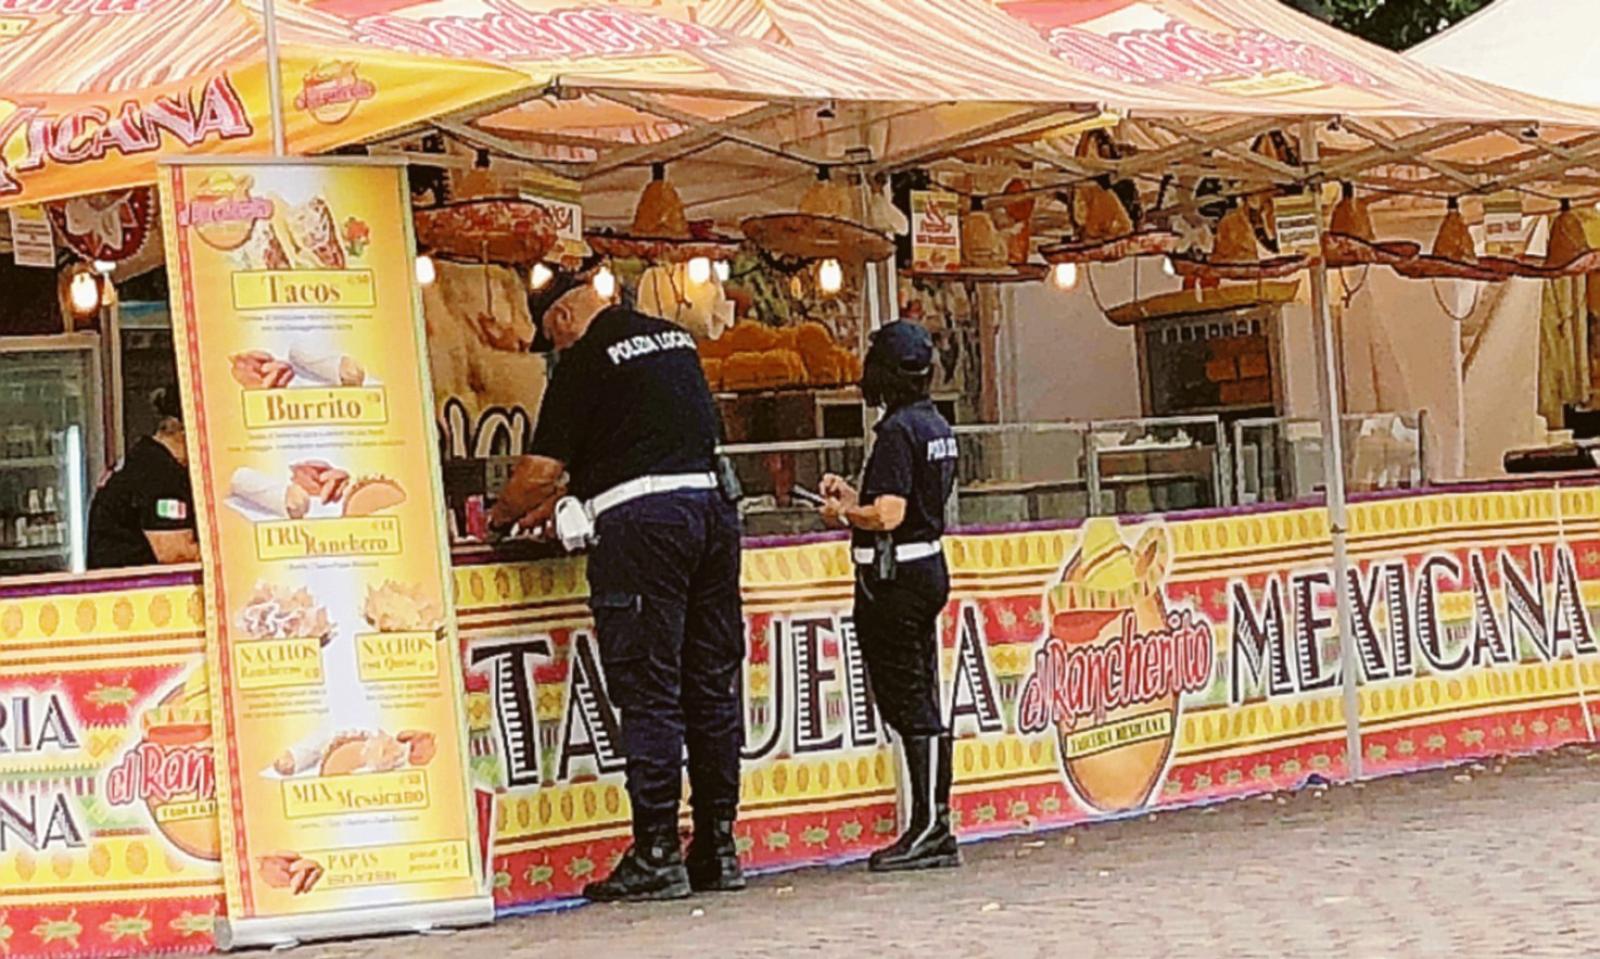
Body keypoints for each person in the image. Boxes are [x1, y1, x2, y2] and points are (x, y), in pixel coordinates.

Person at [490, 264, 745, 902]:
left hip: (645, 534)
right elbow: (652, 439)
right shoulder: (675, 340)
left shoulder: (584, 359)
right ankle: (717, 845)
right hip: (712, 515)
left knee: (650, 688)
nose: (554, 355)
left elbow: (540, 473)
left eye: (552, 343)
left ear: (561, 320)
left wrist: (499, 518)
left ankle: (657, 851)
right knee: (709, 685)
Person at [819, 320, 959, 872]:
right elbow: (906, 503)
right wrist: (856, 496)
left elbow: (889, 514)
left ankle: (928, 826)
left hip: (895, 579)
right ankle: (934, 821)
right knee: (920, 690)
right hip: (925, 568)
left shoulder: (898, 430)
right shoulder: (935, 424)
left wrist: (843, 513)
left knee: (908, 701)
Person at [87, 387, 198, 569]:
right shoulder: (159, 472)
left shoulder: (142, 458)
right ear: (187, 432)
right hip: (135, 588)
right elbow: (175, 553)